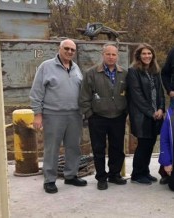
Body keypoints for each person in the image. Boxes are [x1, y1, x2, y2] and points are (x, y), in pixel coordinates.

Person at [30, 39, 87, 194]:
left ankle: (71, 175)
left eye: (72, 50)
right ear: (59, 49)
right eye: (66, 49)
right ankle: (49, 180)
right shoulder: (46, 66)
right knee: (52, 148)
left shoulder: (76, 68)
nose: (69, 52)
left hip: (74, 115)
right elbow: (36, 92)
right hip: (53, 114)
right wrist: (37, 115)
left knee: (73, 147)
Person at [79, 43, 128, 190]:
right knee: (98, 148)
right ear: (103, 55)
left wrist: (124, 112)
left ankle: (114, 174)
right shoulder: (91, 73)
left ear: (117, 56)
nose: (111, 57)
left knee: (117, 148)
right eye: (108, 54)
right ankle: (101, 177)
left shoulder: (124, 73)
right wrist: (89, 114)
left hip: (118, 117)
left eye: (114, 54)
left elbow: (129, 94)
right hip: (98, 117)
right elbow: (84, 96)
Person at [127, 43, 165, 185]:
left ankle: (145, 171)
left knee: (150, 144)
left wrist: (161, 108)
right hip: (142, 116)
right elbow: (137, 96)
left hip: (156, 114)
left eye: (149, 53)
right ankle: (137, 174)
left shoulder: (155, 70)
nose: (147, 56)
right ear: (138, 55)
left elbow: (160, 92)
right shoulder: (133, 71)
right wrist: (151, 113)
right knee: (143, 144)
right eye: (144, 53)